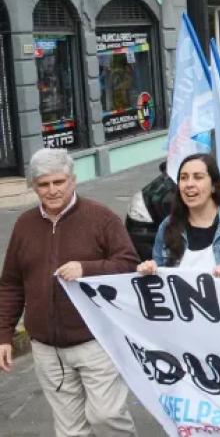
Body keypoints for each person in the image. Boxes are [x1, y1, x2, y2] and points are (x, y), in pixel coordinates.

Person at [0, 148, 139, 436]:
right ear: (34, 188)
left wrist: (86, 269)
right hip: (47, 349)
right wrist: (4, 335)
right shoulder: (25, 225)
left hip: (95, 340)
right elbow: (11, 283)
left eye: (58, 182)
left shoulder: (101, 218)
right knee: (70, 430)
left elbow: (128, 265)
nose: (52, 190)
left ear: (72, 181)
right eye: (43, 184)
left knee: (107, 416)